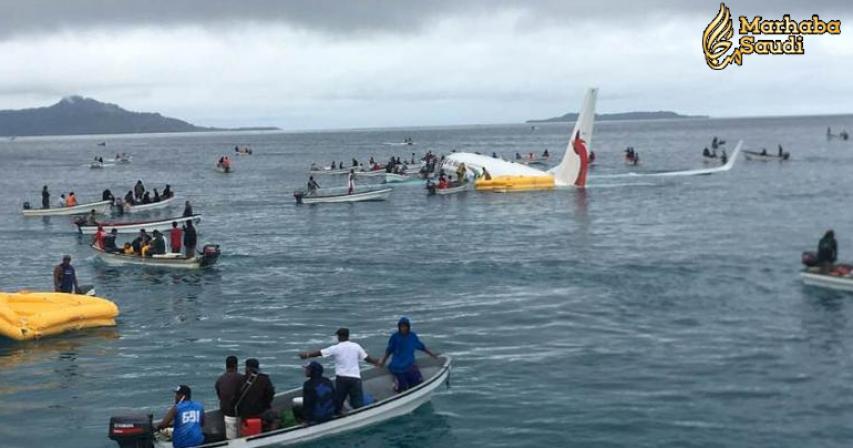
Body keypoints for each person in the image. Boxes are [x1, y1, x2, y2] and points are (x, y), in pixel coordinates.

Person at [300, 328, 381, 415]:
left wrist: (307, 355)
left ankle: (337, 415)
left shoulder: (336, 348)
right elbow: (367, 358)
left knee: (338, 401)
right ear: (348, 336)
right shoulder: (356, 346)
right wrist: (376, 362)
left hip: (342, 378)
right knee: (357, 402)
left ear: (338, 336)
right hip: (355, 378)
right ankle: (359, 415)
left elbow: (321, 353)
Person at [379, 317, 440, 392]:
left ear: (408, 327)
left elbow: (422, 347)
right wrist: (383, 361)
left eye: (405, 326)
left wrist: (433, 355)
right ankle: (396, 384)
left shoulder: (412, 336)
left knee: (418, 383)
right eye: (401, 326)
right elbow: (388, 351)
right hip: (397, 367)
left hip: (409, 365)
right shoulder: (394, 338)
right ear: (399, 327)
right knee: (403, 388)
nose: (403, 328)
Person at [233, 358, 276, 431]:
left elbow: (236, 396)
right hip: (260, 412)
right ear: (258, 368)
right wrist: (266, 405)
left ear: (247, 368)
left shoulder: (240, 380)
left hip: (244, 414)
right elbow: (270, 394)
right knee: (276, 416)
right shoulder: (264, 379)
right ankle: (272, 433)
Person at [215, 356, 243, 440]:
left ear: (226, 365)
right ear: (236, 365)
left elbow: (219, 395)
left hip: (224, 409)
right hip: (236, 410)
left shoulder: (220, 379)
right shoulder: (241, 378)